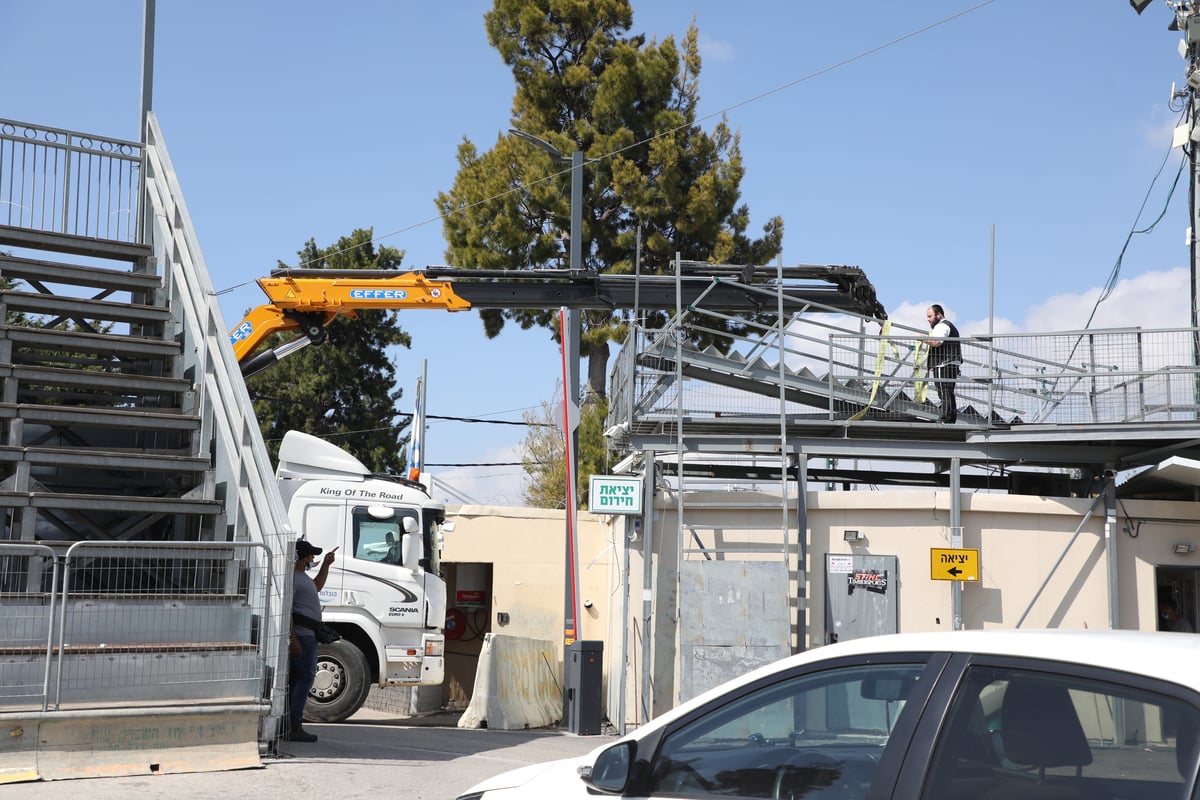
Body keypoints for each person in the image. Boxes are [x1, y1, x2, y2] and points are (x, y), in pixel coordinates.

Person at [286, 538, 337, 742]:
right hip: (303, 637)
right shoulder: (293, 579)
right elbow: (287, 611)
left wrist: (326, 564)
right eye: (310, 556)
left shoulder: (301, 577)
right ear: (301, 557)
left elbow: (317, 587)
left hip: (307, 635)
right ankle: (294, 725)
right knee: (305, 678)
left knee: (300, 679)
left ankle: (291, 723)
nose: (312, 558)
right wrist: (294, 638)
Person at [925, 304, 962, 424]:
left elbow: (936, 342)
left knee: (943, 390)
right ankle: (950, 417)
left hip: (944, 364)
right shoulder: (950, 326)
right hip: (952, 363)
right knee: (948, 391)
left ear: (939, 315)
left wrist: (921, 339)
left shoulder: (941, 326)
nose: (928, 319)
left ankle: (946, 417)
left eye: (930, 316)